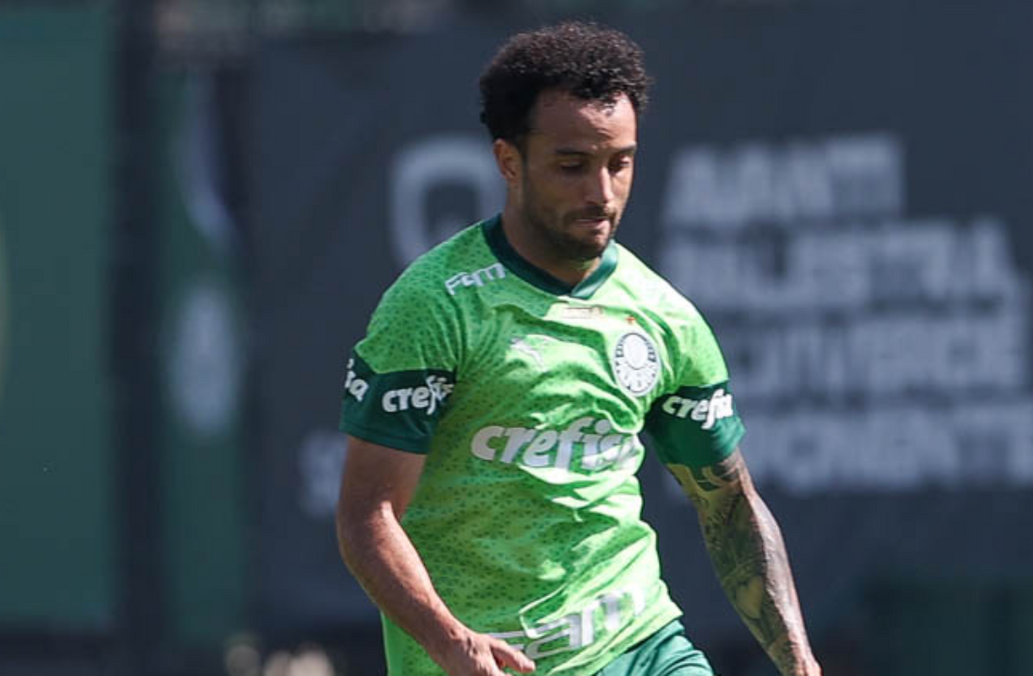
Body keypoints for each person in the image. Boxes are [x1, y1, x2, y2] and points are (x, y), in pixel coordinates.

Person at [335, 21, 821, 676]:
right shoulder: (434, 306)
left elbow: (729, 504)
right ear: (509, 161)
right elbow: (367, 517)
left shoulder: (664, 317)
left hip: (642, 646)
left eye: (619, 163)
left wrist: (799, 660)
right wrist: (449, 639)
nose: (602, 193)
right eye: (572, 166)